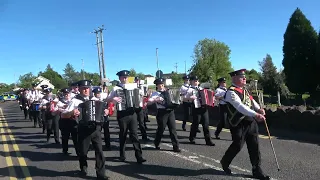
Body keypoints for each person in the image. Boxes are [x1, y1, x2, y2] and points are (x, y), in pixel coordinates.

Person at [220, 69, 270, 180]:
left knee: (254, 145)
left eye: (244, 76)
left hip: (250, 121)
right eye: (241, 76)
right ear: (234, 78)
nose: (244, 78)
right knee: (237, 145)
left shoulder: (245, 90)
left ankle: (257, 169)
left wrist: (259, 109)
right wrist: (256, 114)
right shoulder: (231, 92)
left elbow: (252, 102)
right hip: (238, 123)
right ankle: (225, 161)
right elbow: (240, 107)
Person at [62, 80, 109, 179]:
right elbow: (63, 115)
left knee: (99, 151)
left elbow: (102, 111)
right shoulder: (75, 101)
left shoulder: (95, 99)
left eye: (87, 88)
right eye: (83, 88)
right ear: (79, 89)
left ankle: (101, 174)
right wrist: (71, 113)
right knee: (83, 152)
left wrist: (105, 111)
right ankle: (83, 168)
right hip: (83, 128)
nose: (86, 90)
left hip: (96, 128)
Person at [107, 70, 146, 164]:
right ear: (119, 78)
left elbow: (142, 95)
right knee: (123, 134)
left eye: (126, 77)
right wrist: (113, 99)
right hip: (122, 114)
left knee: (134, 135)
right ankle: (122, 155)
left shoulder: (133, 86)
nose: (125, 79)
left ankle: (139, 156)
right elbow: (108, 100)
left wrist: (141, 95)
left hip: (132, 113)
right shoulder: (116, 88)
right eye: (123, 77)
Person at [148, 78, 181, 152]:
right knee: (161, 129)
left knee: (173, 130)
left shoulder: (169, 91)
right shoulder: (155, 94)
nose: (161, 86)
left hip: (170, 112)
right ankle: (156, 143)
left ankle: (176, 147)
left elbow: (176, 98)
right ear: (157, 86)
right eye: (160, 85)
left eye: (162, 84)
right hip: (162, 112)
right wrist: (155, 100)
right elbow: (149, 102)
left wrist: (178, 100)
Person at [186, 75, 215, 146]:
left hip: (204, 108)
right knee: (195, 124)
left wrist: (212, 97)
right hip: (196, 108)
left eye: (197, 81)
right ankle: (192, 138)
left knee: (206, 125)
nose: (197, 82)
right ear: (191, 82)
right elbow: (184, 98)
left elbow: (208, 94)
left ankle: (208, 141)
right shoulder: (190, 90)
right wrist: (190, 98)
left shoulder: (201, 88)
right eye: (195, 81)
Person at [59, 88, 79, 155]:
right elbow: (57, 109)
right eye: (65, 94)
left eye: (68, 93)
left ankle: (78, 152)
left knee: (76, 137)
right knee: (65, 137)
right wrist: (62, 108)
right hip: (64, 120)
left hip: (73, 120)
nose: (66, 95)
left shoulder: (74, 100)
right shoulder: (60, 101)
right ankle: (65, 150)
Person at [134, 76, 149, 141]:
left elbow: (145, 95)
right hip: (134, 107)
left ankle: (144, 136)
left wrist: (146, 100)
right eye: (136, 80)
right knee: (133, 123)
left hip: (140, 106)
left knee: (141, 122)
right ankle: (132, 136)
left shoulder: (142, 87)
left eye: (138, 80)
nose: (137, 81)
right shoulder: (132, 86)